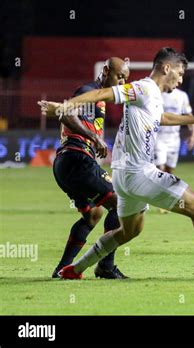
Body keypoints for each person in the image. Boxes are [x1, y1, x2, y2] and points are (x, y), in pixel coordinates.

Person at [39, 47, 194, 282]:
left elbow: (161, 118)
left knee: (129, 231)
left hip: (123, 176)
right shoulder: (144, 87)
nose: (180, 80)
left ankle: (74, 270)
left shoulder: (153, 95)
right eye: (179, 74)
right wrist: (68, 105)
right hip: (139, 172)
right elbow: (103, 94)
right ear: (166, 68)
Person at [51, 57, 130, 279]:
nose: (122, 82)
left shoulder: (100, 99)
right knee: (120, 204)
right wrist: (94, 138)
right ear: (106, 71)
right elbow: (66, 113)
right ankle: (106, 266)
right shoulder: (88, 92)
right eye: (120, 76)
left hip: (66, 164)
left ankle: (61, 269)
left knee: (93, 215)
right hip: (78, 160)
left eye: (125, 78)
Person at [154, 88, 194, 174]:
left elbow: (189, 116)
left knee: (169, 171)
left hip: (174, 138)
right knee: (159, 169)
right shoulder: (156, 94)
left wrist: (193, 135)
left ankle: (164, 187)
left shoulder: (182, 95)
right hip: (158, 137)